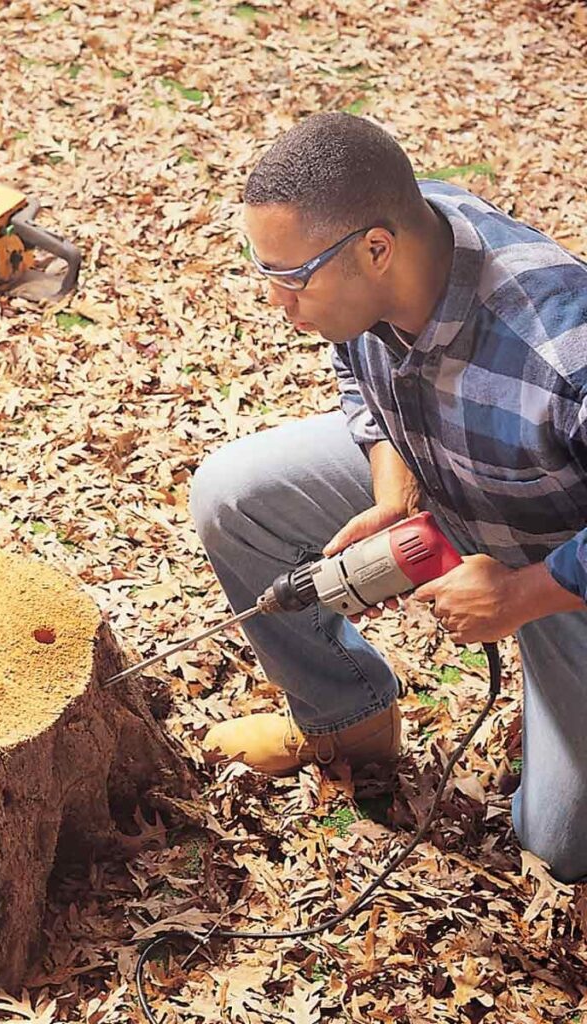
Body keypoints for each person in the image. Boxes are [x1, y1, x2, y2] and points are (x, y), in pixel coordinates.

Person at [190, 112, 587, 882]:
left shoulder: (561, 350)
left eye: (291, 277)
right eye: (262, 270)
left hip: (562, 558)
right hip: (453, 473)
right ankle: (349, 720)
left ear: (376, 250)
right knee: (233, 496)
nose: (277, 300)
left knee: (560, 848)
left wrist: (521, 593)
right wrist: (393, 484)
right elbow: (356, 372)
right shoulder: (384, 244)